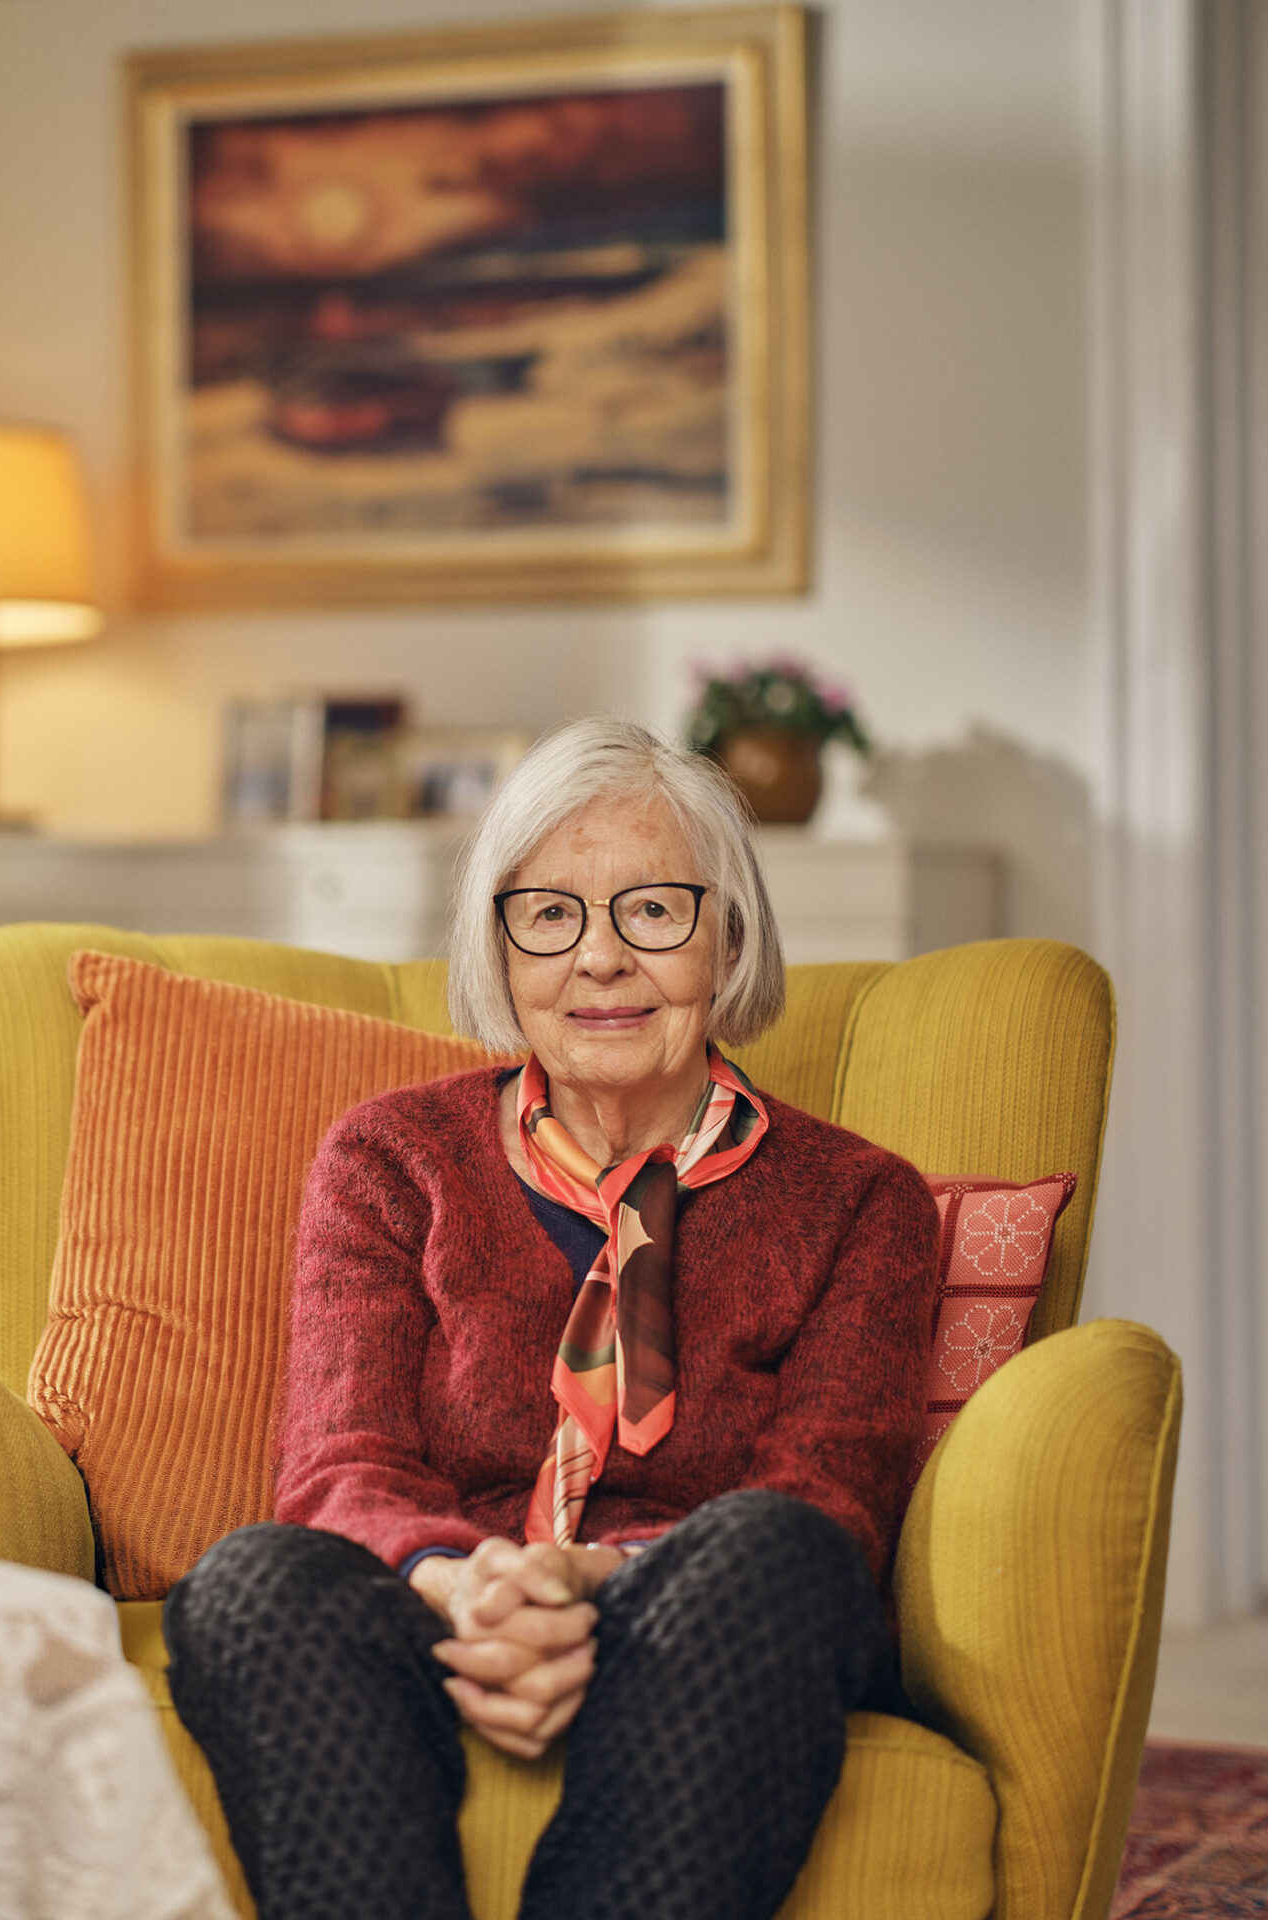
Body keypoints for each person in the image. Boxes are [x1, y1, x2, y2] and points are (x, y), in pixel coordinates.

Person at [162, 717, 938, 1920]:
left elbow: (829, 1493)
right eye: (550, 914)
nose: (600, 961)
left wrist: (589, 1580)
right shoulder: (391, 1157)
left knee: (775, 1550)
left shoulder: (861, 1202)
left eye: (654, 911)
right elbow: (339, 1462)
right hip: (439, 1609)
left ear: (728, 935)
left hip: (694, 1624)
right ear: (500, 945)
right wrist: (473, 1585)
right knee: (250, 1579)